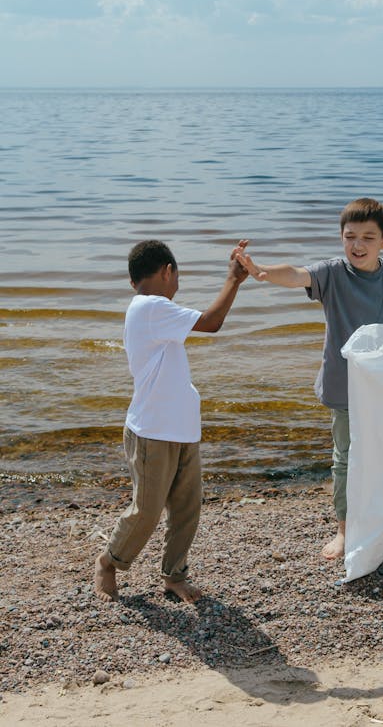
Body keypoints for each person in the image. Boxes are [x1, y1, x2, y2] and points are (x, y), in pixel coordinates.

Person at [235, 198, 383, 562]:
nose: (357, 245)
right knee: (346, 460)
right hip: (344, 386)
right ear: (341, 238)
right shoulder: (333, 273)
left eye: (367, 237)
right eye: (349, 237)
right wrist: (262, 271)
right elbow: (298, 274)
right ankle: (345, 531)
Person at [94, 239, 248, 604]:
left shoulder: (151, 310)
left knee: (186, 508)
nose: (177, 284)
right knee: (146, 511)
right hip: (152, 429)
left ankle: (174, 576)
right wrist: (234, 279)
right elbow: (211, 323)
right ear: (167, 271)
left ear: (133, 280)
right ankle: (108, 561)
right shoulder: (151, 307)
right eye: (177, 275)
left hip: (180, 426)